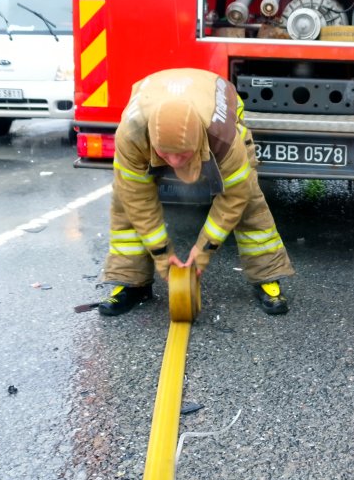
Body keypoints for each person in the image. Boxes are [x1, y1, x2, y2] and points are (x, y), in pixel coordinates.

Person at [97, 68, 294, 316]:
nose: (174, 162)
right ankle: (131, 281)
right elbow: (136, 198)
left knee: (249, 197)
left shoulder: (222, 135)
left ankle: (267, 276)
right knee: (124, 202)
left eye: (182, 154)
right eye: (165, 154)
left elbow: (234, 197)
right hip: (153, 101)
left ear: (198, 141)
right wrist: (161, 252)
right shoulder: (131, 135)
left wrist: (202, 251)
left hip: (213, 96)